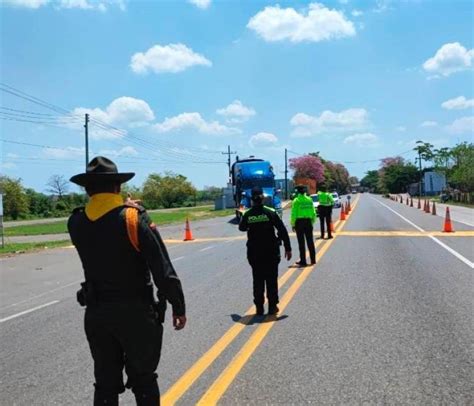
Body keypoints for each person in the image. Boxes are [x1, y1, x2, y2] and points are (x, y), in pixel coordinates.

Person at [67, 156, 186, 406]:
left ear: (87, 190)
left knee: (105, 384)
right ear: (118, 187)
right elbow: (162, 268)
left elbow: (100, 225)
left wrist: (127, 210)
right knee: (143, 380)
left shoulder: (75, 222)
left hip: (97, 314)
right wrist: (178, 305)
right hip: (136, 315)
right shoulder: (132, 219)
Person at [239, 186, 292, 315]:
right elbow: (282, 230)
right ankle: (272, 306)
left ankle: (259, 307)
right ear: (263, 199)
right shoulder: (270, 212)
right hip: (271, 252)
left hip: (254, 253)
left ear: (252, 200)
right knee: (271, 280)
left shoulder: (248, 214)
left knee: (257, 280)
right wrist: (288, 248)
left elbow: (242, 228)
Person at [290, 185, 316, 267]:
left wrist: (293, 224)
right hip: (308, 221)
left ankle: (303, 261)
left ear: (297, 192)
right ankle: (313, 259)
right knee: (310, 241)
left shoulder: (296, 200)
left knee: (301, 243)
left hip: (299, 222)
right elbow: (313, 212)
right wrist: (312, 221)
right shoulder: (309, 199)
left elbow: (293, 214)